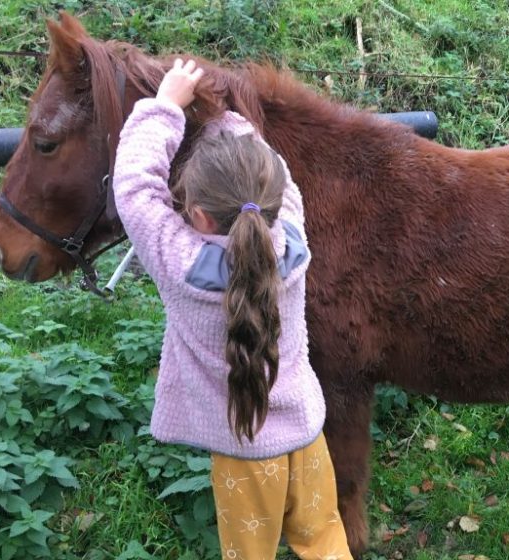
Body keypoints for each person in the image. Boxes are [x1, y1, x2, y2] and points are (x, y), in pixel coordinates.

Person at [113, 58, 352, 560]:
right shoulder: (291, 241)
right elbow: (277, 173)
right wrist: (224, 110)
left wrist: (166, 107)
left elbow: (135, 185)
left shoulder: (179, 263)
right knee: (324, 540)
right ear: (268, 199)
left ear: (195, 214)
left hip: (244, 454)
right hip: (308, 437)